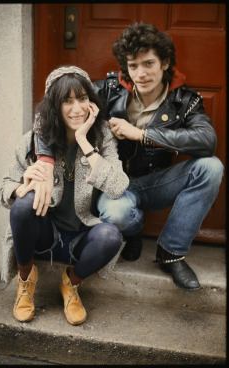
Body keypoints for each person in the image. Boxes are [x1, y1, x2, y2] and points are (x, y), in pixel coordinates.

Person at [33, 22, 224, 291]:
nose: (141, 74)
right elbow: (47, 111)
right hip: (115, 187)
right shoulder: (109, 90)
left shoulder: (184, 99)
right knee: (118, 214)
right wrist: (45, 161)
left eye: (148, 64)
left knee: (211, 167)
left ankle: (171, 253)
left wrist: (142, 134)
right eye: (133, 66)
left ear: (165, 62)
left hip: (157, 182)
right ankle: (132, 233)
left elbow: (207, 141)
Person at [0, 65, 129, 325]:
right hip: (45, 234)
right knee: (23, 205)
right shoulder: (34, 141)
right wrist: (19, 188)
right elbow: (1, 186)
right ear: (54, 106)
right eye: (66, 101)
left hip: (81, 235)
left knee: (110, 236)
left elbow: (117, 186)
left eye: (82, 98)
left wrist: (85, 142)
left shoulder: (102, 138)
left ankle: (71, 283)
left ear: (91, 102)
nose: (76, 108)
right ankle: (25, 279)